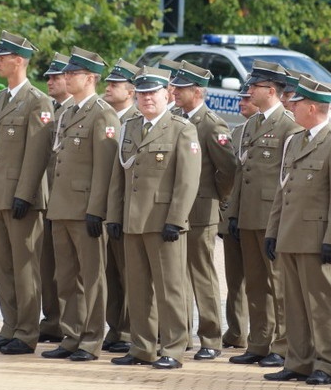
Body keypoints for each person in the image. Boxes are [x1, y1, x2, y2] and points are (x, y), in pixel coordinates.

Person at [264, 76, 331, 384]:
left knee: (321, 305)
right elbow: (284, 190)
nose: (291, 106)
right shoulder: (297, 139)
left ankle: (326, 363)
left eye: (297, 103)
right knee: (295, 305)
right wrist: (272, 232)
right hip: (291, 234)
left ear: (314, 107)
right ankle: (298, 360)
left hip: (317, 238)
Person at [107, 67, 200, 368]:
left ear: (167, 94)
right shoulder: (130, 127)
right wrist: (115, 215)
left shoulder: (181, 129)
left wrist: (176, 219)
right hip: (133, 220)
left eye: (153, 93)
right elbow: (118, 177)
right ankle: (142, 347)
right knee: (138, 288)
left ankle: (173, 348)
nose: (147, 98)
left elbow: (187, 180)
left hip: (163, 222)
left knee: (170, 288)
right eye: (142, 93)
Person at [0, 31, 52, 354]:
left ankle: (26, 332)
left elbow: (38, 153)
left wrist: (25, 193)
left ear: (18, 61)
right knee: (3, 265)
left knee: (24, 268)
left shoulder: (37, 101)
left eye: (2, 57)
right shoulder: (4, 99)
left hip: (22, 198)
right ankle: (9, 326)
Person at [42, 47, 119, 361]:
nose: (66, 77)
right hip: (62, 206)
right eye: (67, 73)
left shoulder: (102, 113)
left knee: (92, 277)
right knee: (66, 276)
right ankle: (71, 335)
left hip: (86, 208)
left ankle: (90, 339)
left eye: (73, 74)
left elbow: (105, 167)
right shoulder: (68, 112)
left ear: (90, 78)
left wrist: (96, 209)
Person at [226, 60, 302, 368]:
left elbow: (289, 179)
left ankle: (281, 345)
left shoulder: (289, 126)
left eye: (254, 87)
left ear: (270, 90)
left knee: (278, 285)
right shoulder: (251, 125)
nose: (249, 91)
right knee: (255, 283)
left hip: (272, 217)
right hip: (247, 216)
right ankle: (258, 342)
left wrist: (283, 221)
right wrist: (233, 213)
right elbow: (242, 172)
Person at [170, 60, 236, 360]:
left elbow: (228, 169)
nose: (175, 92)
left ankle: (211, 339)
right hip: (176, 210)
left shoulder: (211, 124)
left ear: (197, 91)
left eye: (182, 88)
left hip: (201, 210)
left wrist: (215, 198)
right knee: (176, 275)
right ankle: (179, 336)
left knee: (202, 275)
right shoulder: (174, 118)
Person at [101, 58, 140, 354]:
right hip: (107, 208)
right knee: (112, 273)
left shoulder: (137, 122)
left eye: (114, 85)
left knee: (131, 274)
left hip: (134, 211)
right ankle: (115, 328)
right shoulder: (106, 117)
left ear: (130, 91)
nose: (107, 88)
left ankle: (131, 331)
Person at [39, 52, 73, 344]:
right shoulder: (53, 109)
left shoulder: (77, 111)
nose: (50, 81)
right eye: (48, 77)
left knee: (70, 270)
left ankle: (70, 323)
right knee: (47, 265)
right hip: (48, 198)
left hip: (70, 201)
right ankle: (53, 321)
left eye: (56, 77)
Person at [220, 84, 255, 349]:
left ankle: (266, 336)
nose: (242, 102)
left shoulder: (286, 127)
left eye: (247, 97)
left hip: (260, 216)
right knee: (235, 280)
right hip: (235, 213)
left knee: (261, 281)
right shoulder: (238, 131)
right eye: (241, 97)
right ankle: (237, 331)